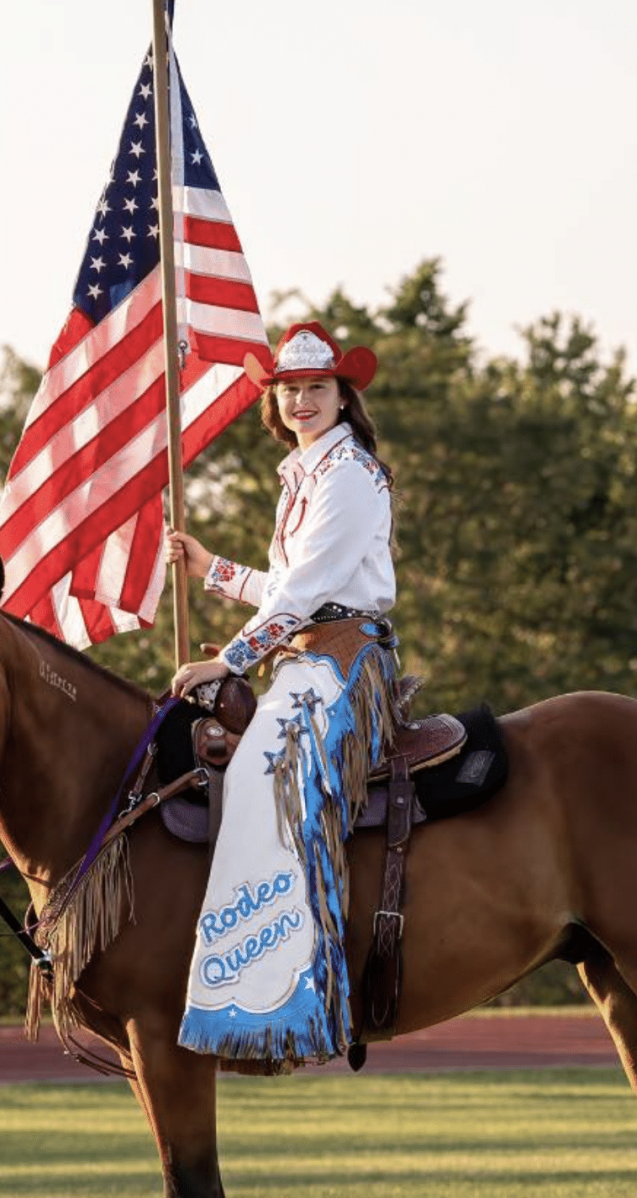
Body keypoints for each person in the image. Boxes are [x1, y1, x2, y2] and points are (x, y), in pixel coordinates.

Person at [167, 321, 397, 1065]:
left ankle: (303, 998)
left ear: (342, 397)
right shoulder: (302, 479)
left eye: (316, 388)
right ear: (275, 403)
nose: (302, 401)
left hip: (343, 662)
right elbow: (287, 591)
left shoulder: (351, 476)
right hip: (302, 656)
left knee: (276, 784)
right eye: (291, 390)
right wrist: (212, 569)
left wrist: (230, 662)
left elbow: (305, 592)